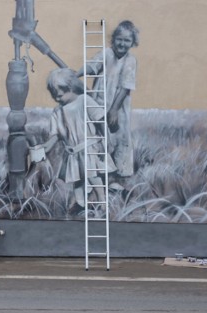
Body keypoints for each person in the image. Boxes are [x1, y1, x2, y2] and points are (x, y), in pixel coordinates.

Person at [39, 67, 116, 215]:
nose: (57, 99)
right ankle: (80, 204)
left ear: (71, 88)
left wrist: (105, 142)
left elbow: (100, 121)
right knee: (78, 180)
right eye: (54, 96)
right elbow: (55, 135)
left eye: (60, 95)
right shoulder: (57, 111)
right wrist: (45, 147)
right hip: (74, 153)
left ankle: (102, 201)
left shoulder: (85, 101)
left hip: (89, 147)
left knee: (92, 176)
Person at [79, 20, 139, 189]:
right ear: (114, 39)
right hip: (98, 104)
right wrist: (77, 73)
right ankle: (102, 179)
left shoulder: (130, 60)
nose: (122, 43)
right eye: (119, 39)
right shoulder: (106, 54)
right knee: (100, 138)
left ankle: (119, 182)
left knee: (118, 139)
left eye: (127, 40)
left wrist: (113, 110)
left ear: (132, 43)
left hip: (117, 108)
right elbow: (92, 66)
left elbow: (125, 88)